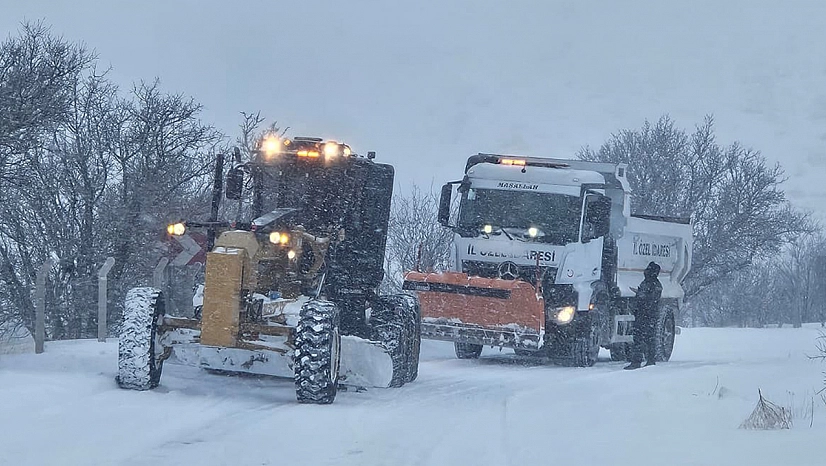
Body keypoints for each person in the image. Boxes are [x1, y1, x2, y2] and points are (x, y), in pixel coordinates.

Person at [624, 261, 663, 370]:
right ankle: (648, 360)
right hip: (646, 315)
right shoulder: (650, 283)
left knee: (641, 338)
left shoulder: (653, 284)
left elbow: (649, 300)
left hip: (646, 315)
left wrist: (640, 295)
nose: (645, 271)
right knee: (646, 338)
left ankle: (639, 361)